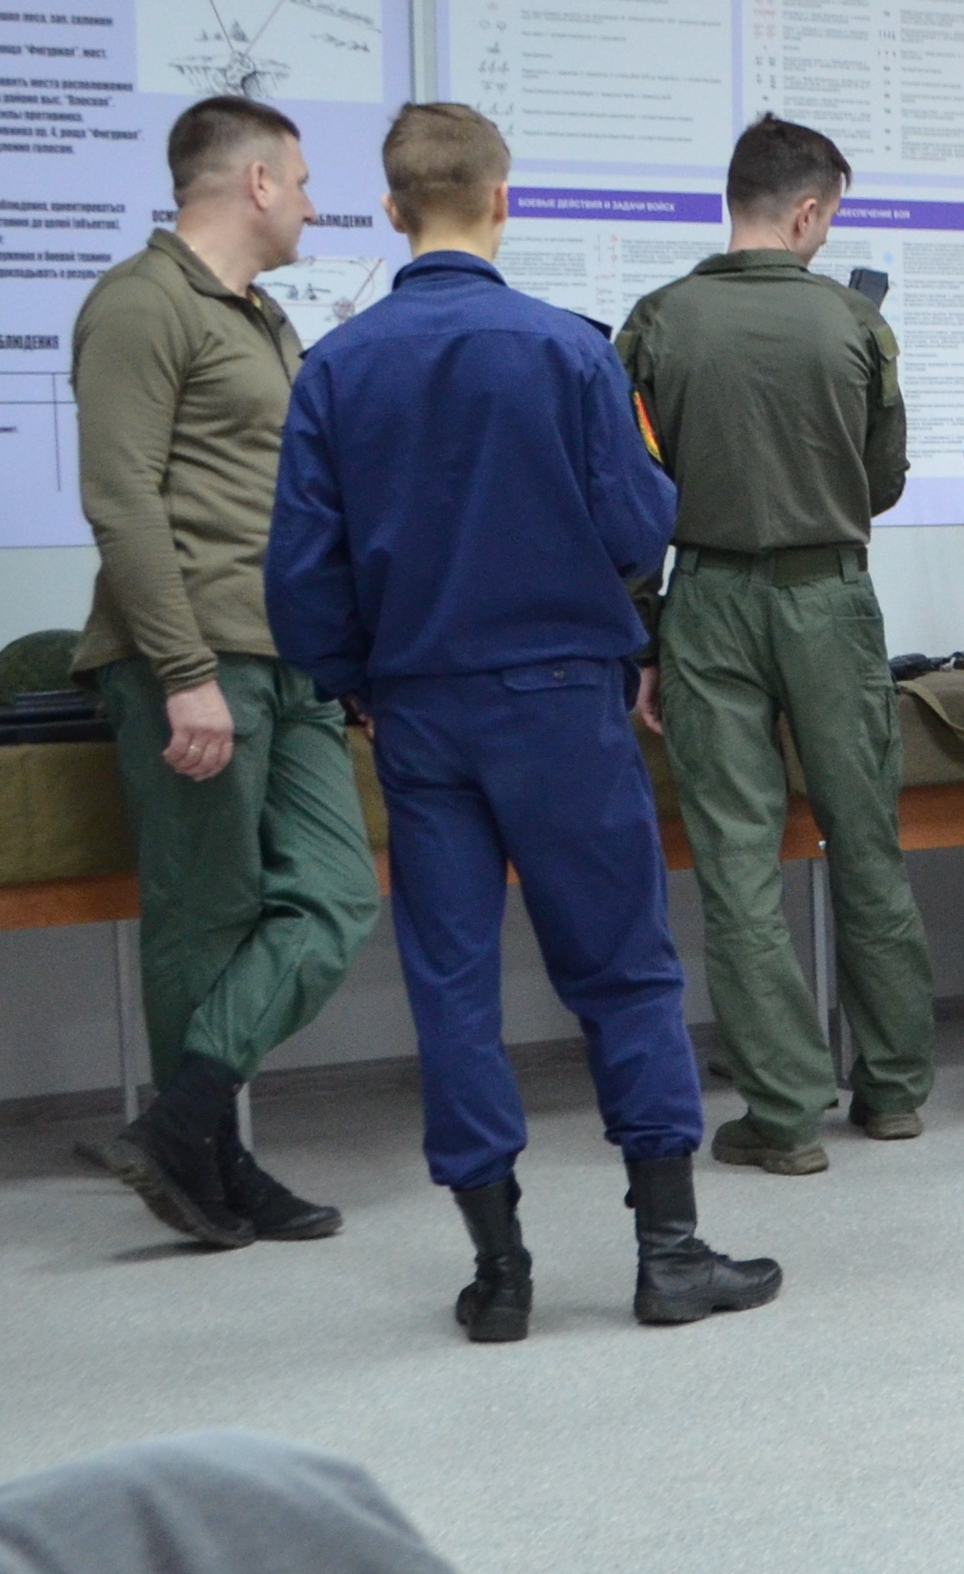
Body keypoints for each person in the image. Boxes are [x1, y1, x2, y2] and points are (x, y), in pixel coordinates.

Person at [266, 103, 785, 1343]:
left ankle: (499, 1279)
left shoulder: (336, 367)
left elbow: (298, 576)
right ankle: (668, 1254)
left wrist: (359, 685)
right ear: (504, 201)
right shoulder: (566, 351)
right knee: (622, 971)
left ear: (393, 212)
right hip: (561, 702)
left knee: (451, 987)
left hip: (419, 714)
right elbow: (635, 527)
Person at [69, 94, 379, 1251]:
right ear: (253, 183)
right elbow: (121, 499)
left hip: (290, 659)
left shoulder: (260, 318)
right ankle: (213, 1161)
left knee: (337, 896)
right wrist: (183, 669)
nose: (308, 202)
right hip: (197, 660)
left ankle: (182, 1124)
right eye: (298, 181)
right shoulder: (141, 305)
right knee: (204, 921)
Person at [618, 112, 936, 1177]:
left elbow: (631, 496)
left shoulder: (656, 323)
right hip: (830, 599)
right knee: (867, 843)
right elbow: (883, 482)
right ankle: (890, 1091)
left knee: (738, 863)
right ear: (806, 212)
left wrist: (646, 634)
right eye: (828, 216)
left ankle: (786, 1116)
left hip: (703, 598)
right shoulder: (855, 326)